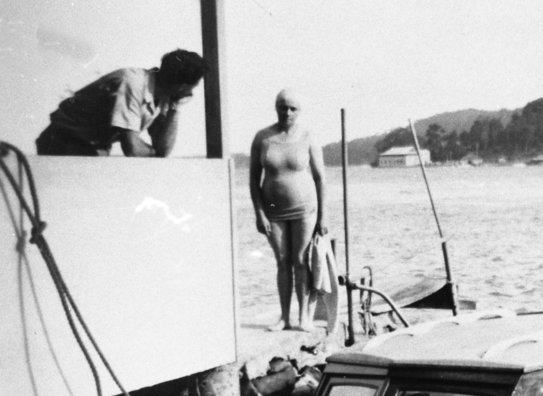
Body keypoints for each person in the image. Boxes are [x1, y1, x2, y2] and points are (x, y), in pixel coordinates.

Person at [249, 88, 329, 331]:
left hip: (305, 209)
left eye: (293, 108)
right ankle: (285, 317)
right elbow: (253, 179)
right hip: (273, 211)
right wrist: (259, 213)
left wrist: (323, 216)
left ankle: (304, 316)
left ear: (299, 111)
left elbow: (320, 178)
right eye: (283, 107)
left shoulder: (308, 136)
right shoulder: (262, 137)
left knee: (300, 260)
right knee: (282, 262)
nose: (287, 112)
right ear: (276, 108)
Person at [36, 49, 208, 157]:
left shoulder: (162, 95)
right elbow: (132, 148)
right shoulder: (132, 83)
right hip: (63, 141)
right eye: (192, 87)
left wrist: (175, 107)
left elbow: (163, 150)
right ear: (181, 86)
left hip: (92, 147)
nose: (191, 93)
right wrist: (153, 154)